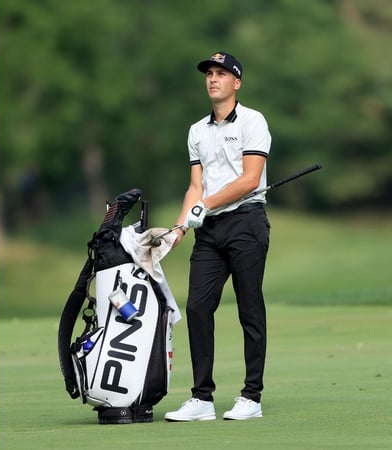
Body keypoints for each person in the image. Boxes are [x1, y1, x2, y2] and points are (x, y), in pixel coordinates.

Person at [164, 51, 271, 422]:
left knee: (249, 308)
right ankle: (202, 399)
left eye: (221, 74)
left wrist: (204, 204)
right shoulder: (197, 130)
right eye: (209, 73)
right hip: (209, 231)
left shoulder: (253, 122)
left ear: (236, 82)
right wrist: (179, 226)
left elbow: (249, 179)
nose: (213, 79)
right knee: (197, 307)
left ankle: (251, 397)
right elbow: (196, 186)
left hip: (246, 223)